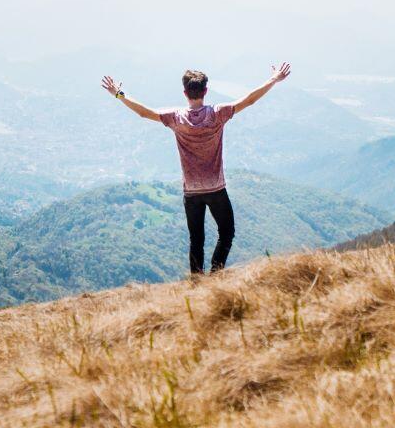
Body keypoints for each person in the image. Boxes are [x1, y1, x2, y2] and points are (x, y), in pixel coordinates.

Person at [102, 63, 292, 277]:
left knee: (196, 240)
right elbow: (249, 99)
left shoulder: (175, 117)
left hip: (191, 192)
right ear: (206, 91)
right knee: (227, 233)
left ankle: (196, 282)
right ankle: (216, 274)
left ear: (185, 92)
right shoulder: (217, 114)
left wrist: (118, 93)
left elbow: (144, 113)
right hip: (216, 188)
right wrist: (273, 79)